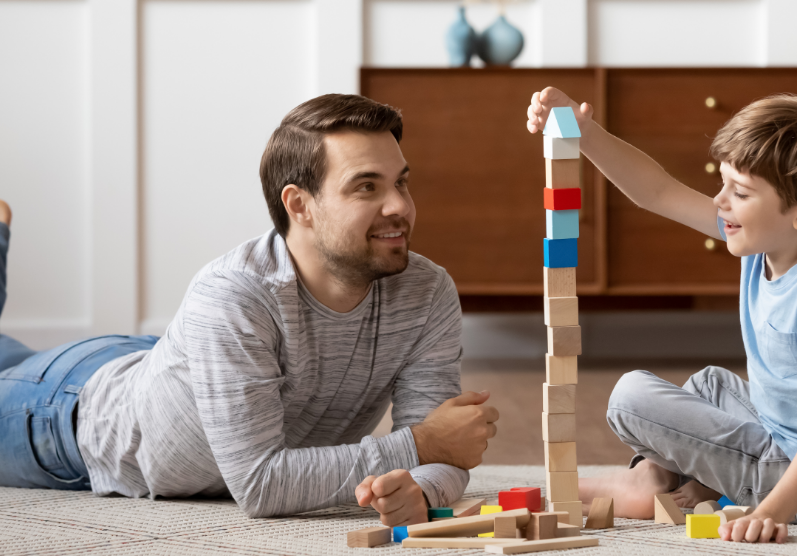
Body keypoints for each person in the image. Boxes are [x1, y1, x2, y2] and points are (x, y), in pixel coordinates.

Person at [0, 94, 499, 525]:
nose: (400, 206)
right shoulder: (233, 294)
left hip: (175, 367)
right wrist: (418, 447)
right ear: (299, 205)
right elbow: (261, 484)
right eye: (367, 186)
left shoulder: (426, 289)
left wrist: (423, 490)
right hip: (63, 413)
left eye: (402, 182)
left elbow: (445, 444)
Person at [526, 90, 797, 543]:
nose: (719, 201)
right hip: (783, 437)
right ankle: (661, 479)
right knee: (710, 384)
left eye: (739, 193)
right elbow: (656, 191)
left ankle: (664, 481)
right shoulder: (769, 239)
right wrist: (587, 135)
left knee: (629, 398)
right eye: (723, 184)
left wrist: (774, 510)